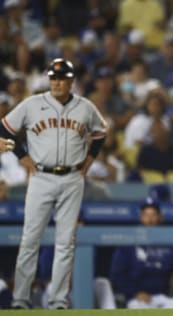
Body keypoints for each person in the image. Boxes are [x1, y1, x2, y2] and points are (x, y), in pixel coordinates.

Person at [0, 58, 108, 309]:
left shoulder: (85, 107)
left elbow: (101, 133)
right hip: (41, 177)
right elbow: (5, 130)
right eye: (53, 77)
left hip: (72, 177)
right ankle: (21, 299)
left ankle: (58, 300)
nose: (57, 82)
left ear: (70, 81)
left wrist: (90, 160)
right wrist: (22, 157)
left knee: (65, 241)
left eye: (62, 78)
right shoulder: (32, 104)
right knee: (30, 240)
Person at [109, 197, 173, 309]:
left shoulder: (170, 243)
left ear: (160, 217)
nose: (150, 220)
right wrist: (134, 293)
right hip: (137, 300)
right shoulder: (128, 242)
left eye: (153, 215)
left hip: (163, 298)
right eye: (146, 215)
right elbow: (116, 276)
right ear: (141, 217)